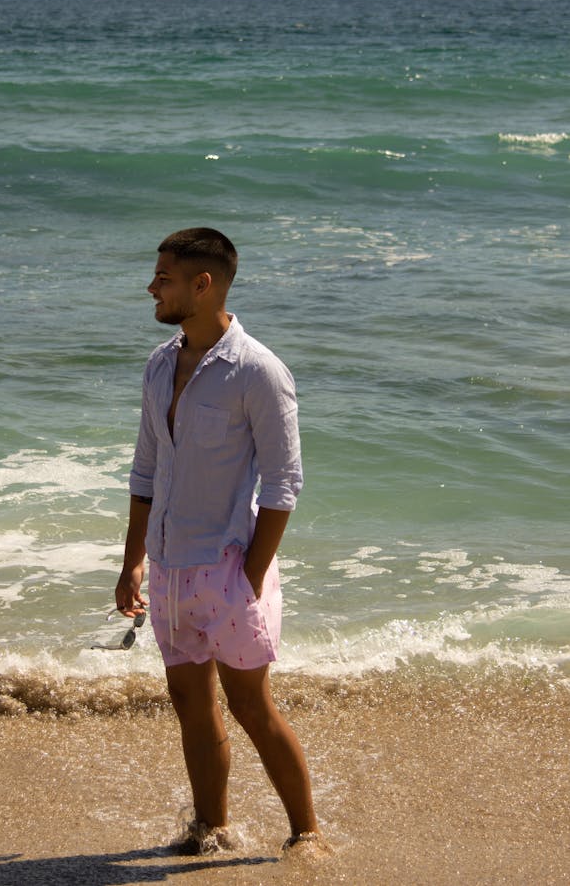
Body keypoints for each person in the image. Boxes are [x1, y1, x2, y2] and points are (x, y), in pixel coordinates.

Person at [115, 227, 328, 857]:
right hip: (170, 570)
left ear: (202, 286)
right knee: (189, 704)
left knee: (251, 707)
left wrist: (252, 576)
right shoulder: (158, 365)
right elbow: (145, 472)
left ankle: (306, 833)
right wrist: (132, 562)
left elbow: (285, 484)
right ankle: (212, 828)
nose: (152, 287)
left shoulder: (259, 371)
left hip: (230, 570)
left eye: (164, 277)